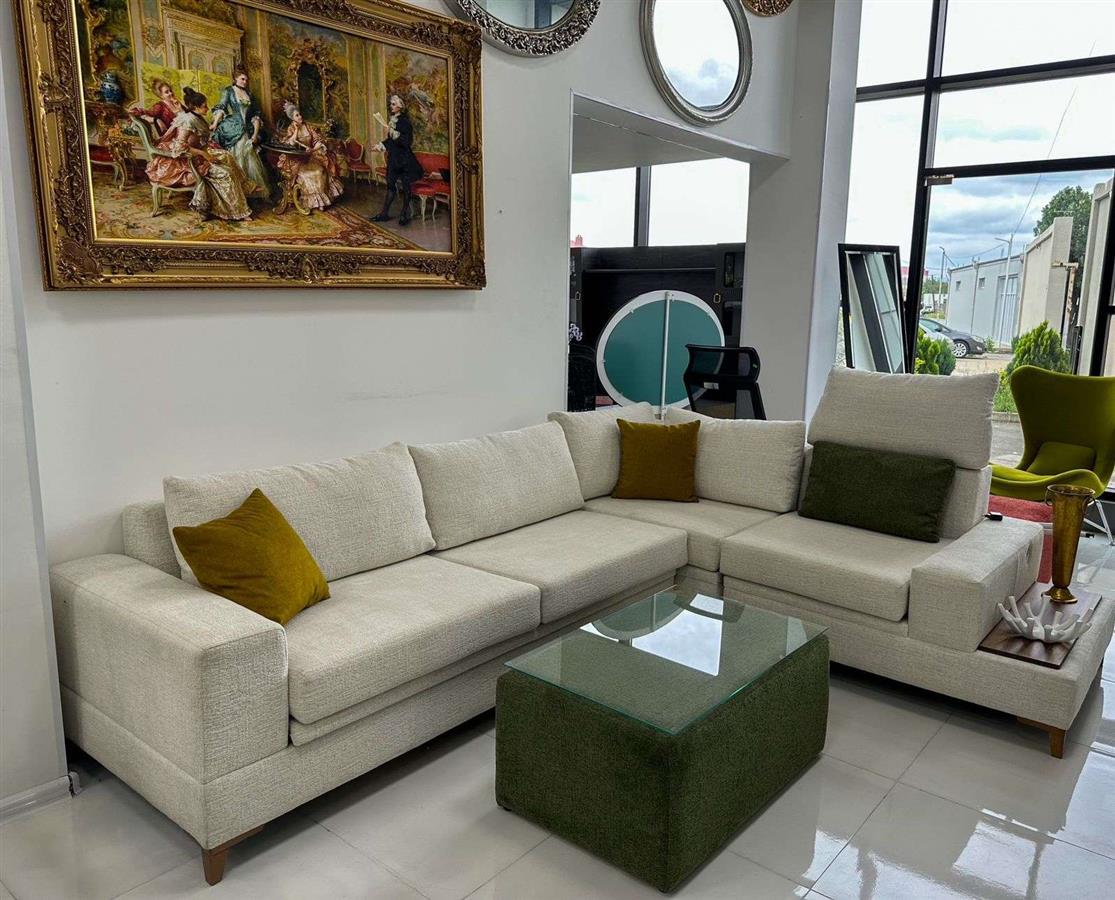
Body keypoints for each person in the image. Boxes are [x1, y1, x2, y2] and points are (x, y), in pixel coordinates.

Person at [145, 87, 252, 221]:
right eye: (204, 106)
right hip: (185, 162)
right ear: (195, 108)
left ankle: (244, 193)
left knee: (227, 157)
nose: (207, 108)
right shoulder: (188, 121)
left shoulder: (195, 116)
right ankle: (236, 211)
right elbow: (179, 147)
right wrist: (204, 154)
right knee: (226, 173)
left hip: (198, 155)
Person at [210, 67, 269, 198]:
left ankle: (249, 192)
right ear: (235, 78)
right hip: (233, 127)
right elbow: (221, 107)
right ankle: (236, 192)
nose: (245, 82)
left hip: (247, 127)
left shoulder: (249, 94)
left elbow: (255, 115)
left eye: (246, 80)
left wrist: (255, 134)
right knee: (236, 156)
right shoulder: (229, 91)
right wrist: (215, 123)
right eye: (242, 79)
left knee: (248, 155)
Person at [276, 101, 343, 210]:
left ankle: (322, 201)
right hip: (297, 160)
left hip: (310, 156)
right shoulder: (291, 128)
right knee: (308, 174)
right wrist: (296, 130)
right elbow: (291, 143)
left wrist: (313, 149)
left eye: (300, 114)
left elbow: (317, 140)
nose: (300, 117)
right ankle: (314, 202)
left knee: (319, 171)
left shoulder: (308, 126)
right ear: (292, 118)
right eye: (297, 115)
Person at [371, 94, 423, 226]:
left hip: (404, 159)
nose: (391, 106)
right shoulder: (393, 120)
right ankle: (384, 214)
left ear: (400, 106)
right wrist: (380, 146)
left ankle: (404, 214)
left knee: (406, 187)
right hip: (394, 159)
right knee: (390, 186)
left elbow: (407, 142)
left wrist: (393, 132)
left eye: (393, 104)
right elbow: (391, 141)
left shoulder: (405, 122)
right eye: (391, 104)